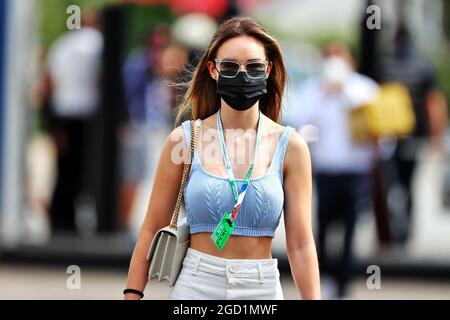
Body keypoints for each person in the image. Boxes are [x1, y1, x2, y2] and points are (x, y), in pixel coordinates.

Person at [124, 16, 321, 300]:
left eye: (253, 66)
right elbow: (151, 228)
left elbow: (301, 243)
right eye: (230, 66)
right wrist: (132, 294)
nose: (242, 75)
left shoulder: (291, 146)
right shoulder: (184, 140)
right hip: (196, 285)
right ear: (213, 70)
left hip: (261, 289)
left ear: (268, 70)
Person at [285, 42, 379, 298]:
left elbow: (379, 128)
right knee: (321, 227)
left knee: (350, 227)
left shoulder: (364, 88)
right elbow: (296, 123)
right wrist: (325, 94)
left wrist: (345, 91)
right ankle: (324, 276)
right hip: (324, 171)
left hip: (354, 170)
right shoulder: (313, 89)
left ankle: (344, 283)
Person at [46, 9, 103, 232]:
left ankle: (60, 220)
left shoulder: (61, 45)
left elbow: (50, 82)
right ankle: (85, 220)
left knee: (64, 170)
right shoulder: (97, 43)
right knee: (87, 171)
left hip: (63, 115)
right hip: (88, 116)